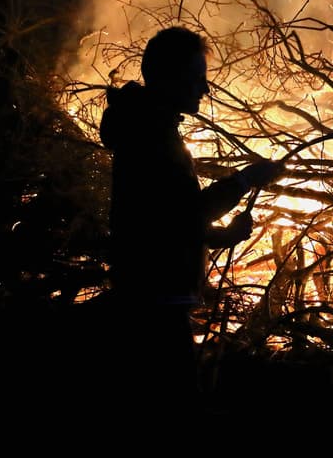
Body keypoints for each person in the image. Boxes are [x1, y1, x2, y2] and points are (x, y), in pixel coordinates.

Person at [96, 25, 283, 408]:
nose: (205, 88)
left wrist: (223, 237)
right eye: (197, 77)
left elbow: (171, 220)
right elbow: (189, 212)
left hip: (151, 296)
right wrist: (247, 178)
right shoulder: (152, 137)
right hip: (155, 304)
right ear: (169, 78)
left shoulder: (147, 126)